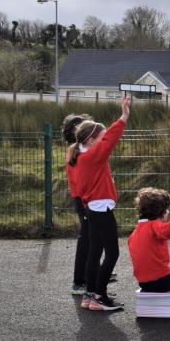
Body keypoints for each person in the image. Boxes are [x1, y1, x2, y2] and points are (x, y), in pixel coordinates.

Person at [70, 94, 130, 311]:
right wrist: (123, 116)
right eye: (100, 137)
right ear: (89, 141)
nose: (104, 140)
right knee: (112, 253)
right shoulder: (92, 156)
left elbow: (107, 140)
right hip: (100, 208)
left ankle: (89, 295)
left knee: (95, 252)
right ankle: (99, 296)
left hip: (93, 208)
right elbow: (111, 138)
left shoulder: (80, 156)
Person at [62, 113, 93, 296]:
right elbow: (81, 182)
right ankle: (79, 281)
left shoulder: (77, 151)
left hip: (84, 198)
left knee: (91, 237)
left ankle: (89, 274)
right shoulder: (76, 153)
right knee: (86, 238)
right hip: (83, 199)